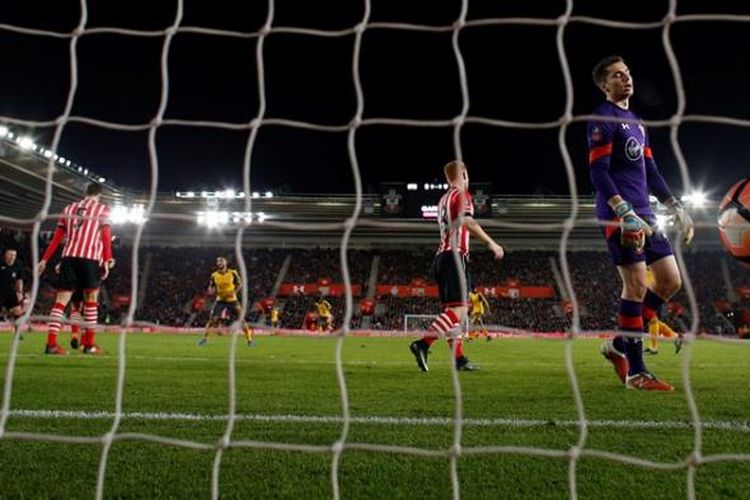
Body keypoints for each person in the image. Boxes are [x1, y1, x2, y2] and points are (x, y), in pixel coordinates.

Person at [588, 55, 694, 391]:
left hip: (646, 214)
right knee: (634, 285)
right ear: (605, 85)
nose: (626, 79)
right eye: (617, 76)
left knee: (669, 280)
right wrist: (622, 210)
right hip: (618, 214)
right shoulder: (601, 118)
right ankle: (636, 372)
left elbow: (651, 172)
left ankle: (619, 342)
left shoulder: (636, 121)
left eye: (628, 73)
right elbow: (598, 172)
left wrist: (675, 206)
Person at [409, 160, 504, 372]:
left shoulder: (443, 199)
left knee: (454, 313)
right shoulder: (461, 195)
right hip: (454, 256)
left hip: (442, 258)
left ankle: (459, 359)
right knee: (460, 310)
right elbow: (467, 221)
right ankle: (422, 344)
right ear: (464, 174)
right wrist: (491, 243)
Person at [37, 182, 114, 355]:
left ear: (85, 192)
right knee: (91, 300)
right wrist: (108, 259)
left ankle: (51, 344)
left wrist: (44, 260)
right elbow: (106, 235)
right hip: (89, 259)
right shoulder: (102, 210)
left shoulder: (68, 208)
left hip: (68, 258)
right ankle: (89, 345)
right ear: (99, 194)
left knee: (61, 302)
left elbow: (56, 238)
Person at [199, 256, 254, 347]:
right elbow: (211, 286)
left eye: (221, 261)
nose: (219, 263)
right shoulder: (214, 275)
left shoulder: (233, 273)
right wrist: (210, 290)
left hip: (232, 300)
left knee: (241, 319)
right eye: (217, 261)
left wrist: (234, 292)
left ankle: (249, 340)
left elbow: (240, 284)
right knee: (212, 320)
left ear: (225, 263)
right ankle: (204, 339)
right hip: (220, 300)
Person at [643, 267, 682, 355]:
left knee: (652, 319)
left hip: (652, 293)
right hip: (648, 293)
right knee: (651, 319)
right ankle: (674, 336)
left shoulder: (651, 264)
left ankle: (653, 347)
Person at [0, 247, 25, 338]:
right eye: (10, 254)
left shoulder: (18, 265)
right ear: (5, 255)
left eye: (14, 255)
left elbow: (19, 280)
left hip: (11, 292)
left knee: (18, 312)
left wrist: (20, 292)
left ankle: (17, 333)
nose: (12, 257)